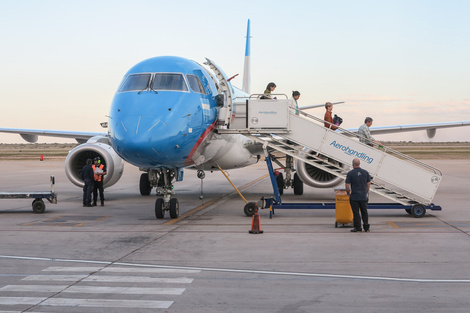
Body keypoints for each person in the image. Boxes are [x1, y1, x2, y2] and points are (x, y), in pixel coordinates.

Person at [345, 158, 371, 232]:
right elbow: (368, 184)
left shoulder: (350, 173)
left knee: (356, 213)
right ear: (359, 164)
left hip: (354, 197)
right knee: (364, 212)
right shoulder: (365, 172)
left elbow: (347, 185)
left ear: (353, 164)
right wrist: (365, 191)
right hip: (363, 196)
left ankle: (358, 228)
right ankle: (366, 227)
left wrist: (348, 192)